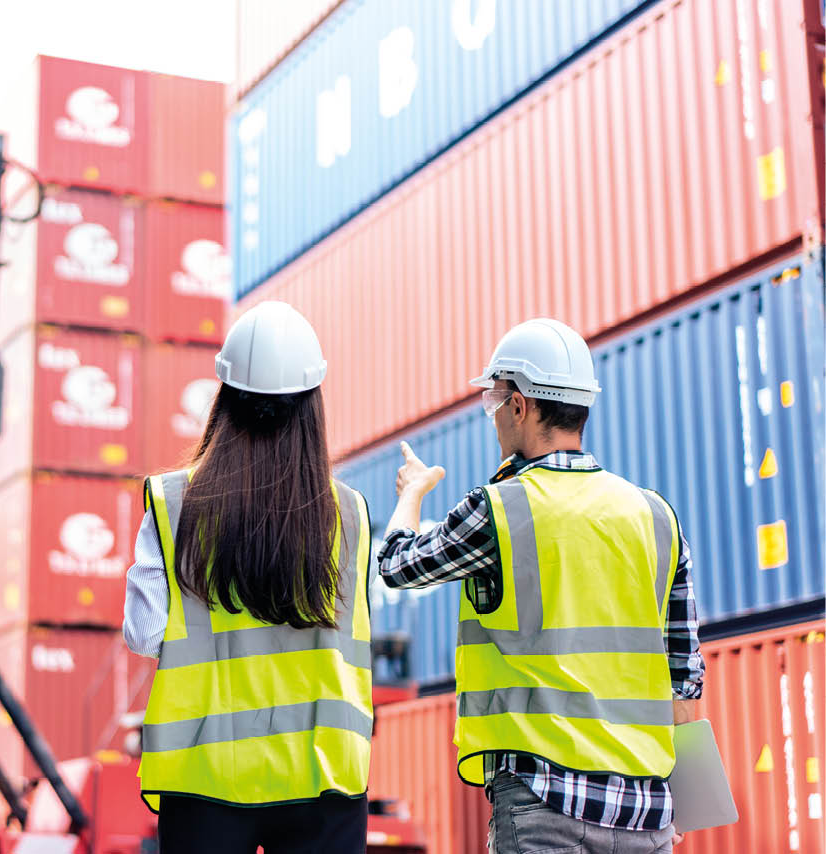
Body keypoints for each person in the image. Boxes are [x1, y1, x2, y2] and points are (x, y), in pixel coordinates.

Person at [377, 318, 704, 854]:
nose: (494, 417)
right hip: (647, 813)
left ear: (521, 405)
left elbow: (397, 564)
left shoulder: (501, 509)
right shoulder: (655, 516)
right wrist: (681, 801)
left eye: (494, 401)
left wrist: (411, 493)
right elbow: (684, 680)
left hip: (545, 805)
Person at [124, 301, 374, 854]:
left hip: (203, 774)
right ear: (312, 406)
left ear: (224, 398)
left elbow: (143, 634)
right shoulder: (349, 512)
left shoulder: (172, 503)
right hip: (322, 775)